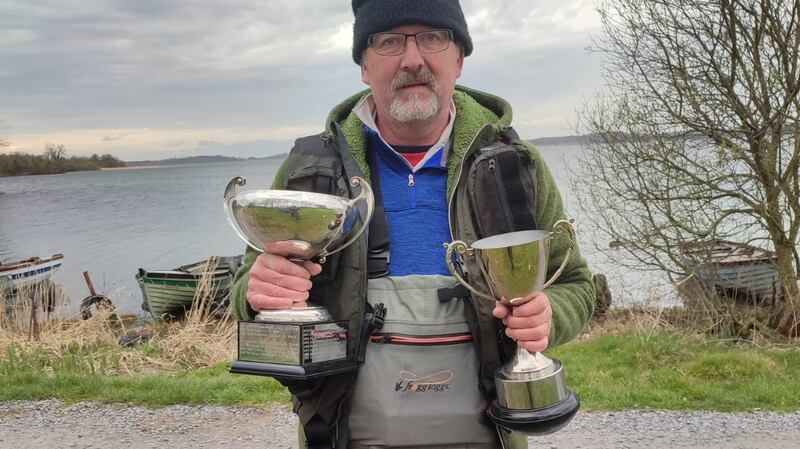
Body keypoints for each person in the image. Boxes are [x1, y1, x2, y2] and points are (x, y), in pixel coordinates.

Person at [231, 1, 595, 448]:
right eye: (388, 41)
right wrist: (259, 292)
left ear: (459, 58)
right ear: (364, 66)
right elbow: (245, 294)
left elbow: (576, 283)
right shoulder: (310, 172)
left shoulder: (517, 166)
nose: (412, 59)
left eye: (432, 37)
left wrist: (549, 315)